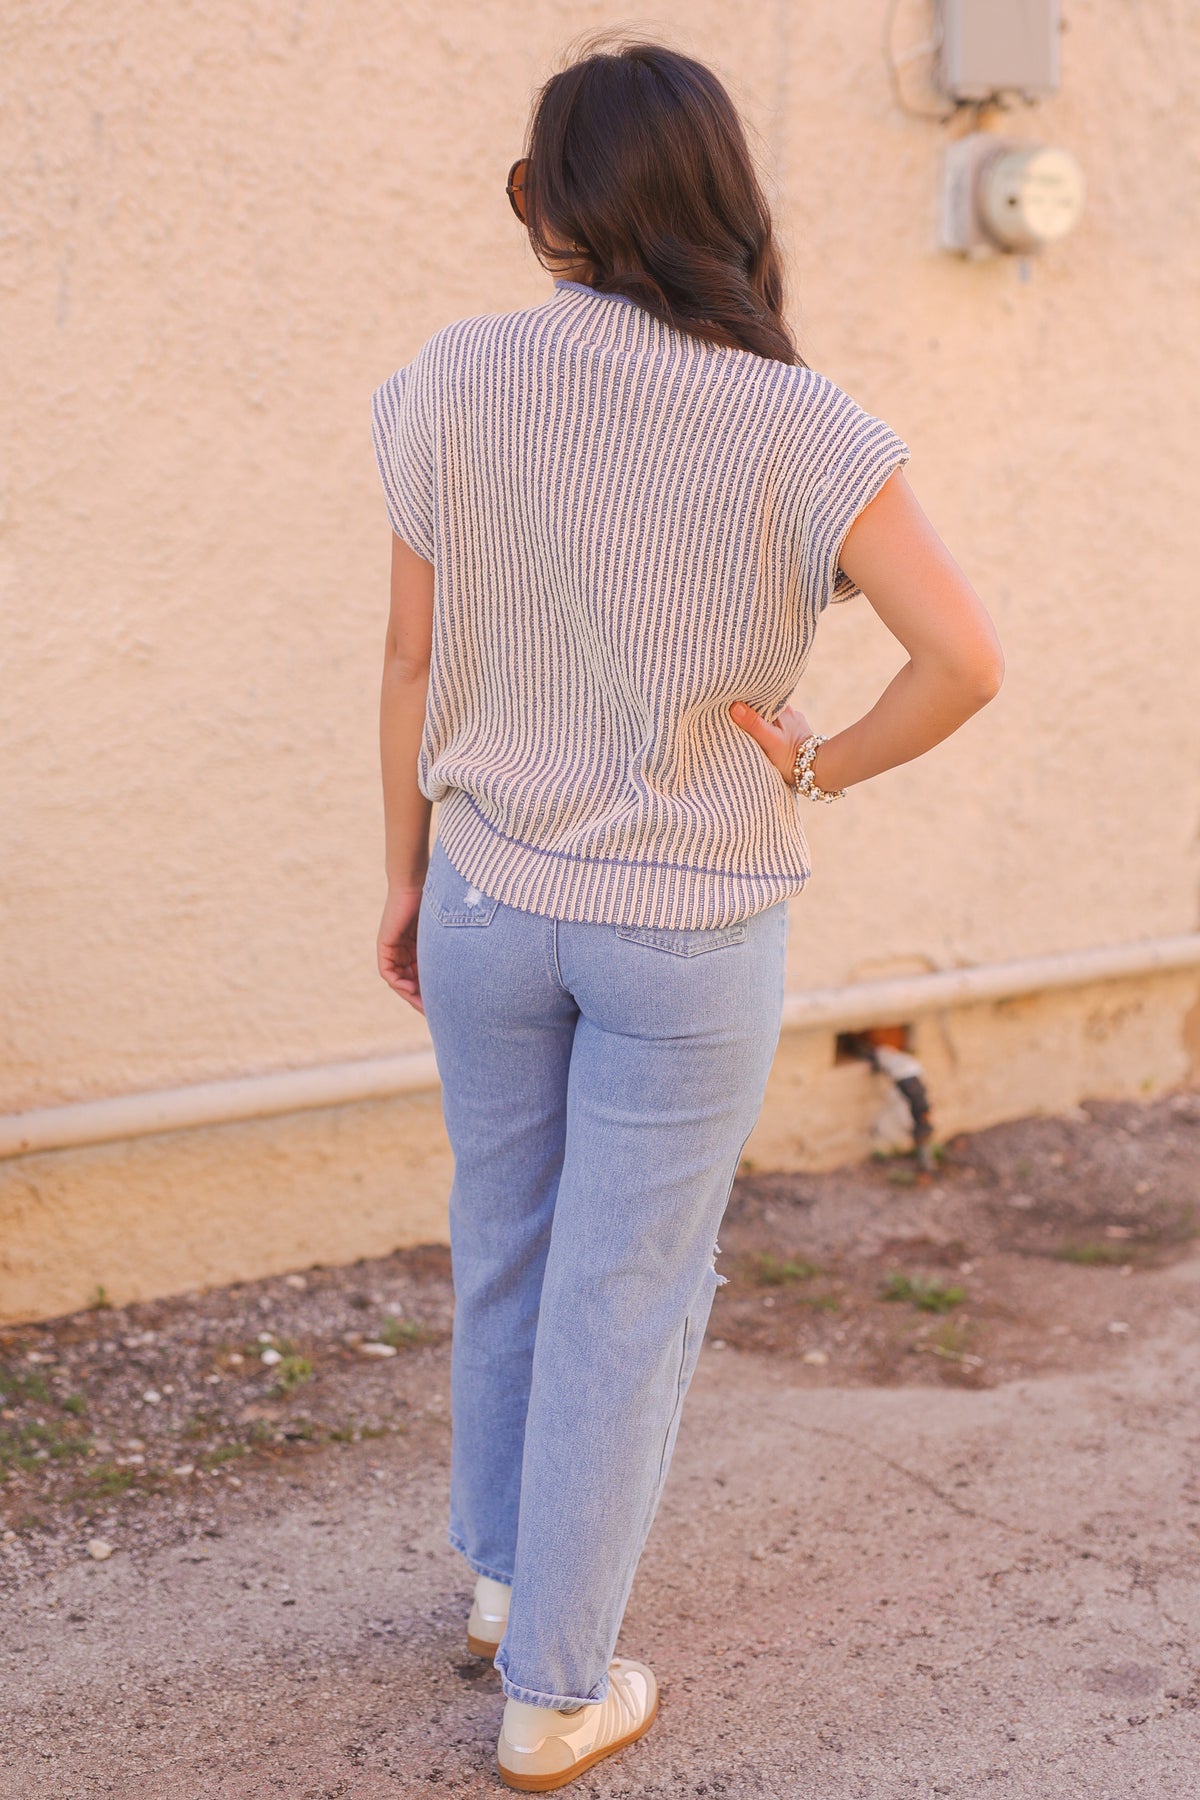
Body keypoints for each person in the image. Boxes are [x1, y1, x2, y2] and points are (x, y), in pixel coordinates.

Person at [371, 36, 1004, 1792]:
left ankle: (507, 1588)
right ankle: (557, 1693)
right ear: (722, 202)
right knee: (623, 1297)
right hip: (691, 920)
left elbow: (412, 661)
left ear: (545, 204)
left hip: (492, 888)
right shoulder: (800, 421)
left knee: (507, 1236)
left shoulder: (451, 379)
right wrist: (824, 766)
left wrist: (411, 876)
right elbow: (964, 662)